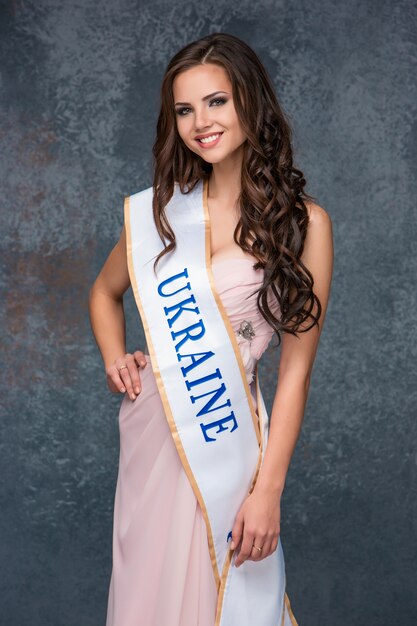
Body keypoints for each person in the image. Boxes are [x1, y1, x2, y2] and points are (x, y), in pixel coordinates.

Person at [89, 32, 333, 626]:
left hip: (225, 442)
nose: (201, 122)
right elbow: (103, 292)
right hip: (152, 435)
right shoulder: (161, 214)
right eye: (184, 109)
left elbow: (296, 372)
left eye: (216, 101)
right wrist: (115, 357)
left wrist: (268, 490)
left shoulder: (305, 226)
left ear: (251, 101)